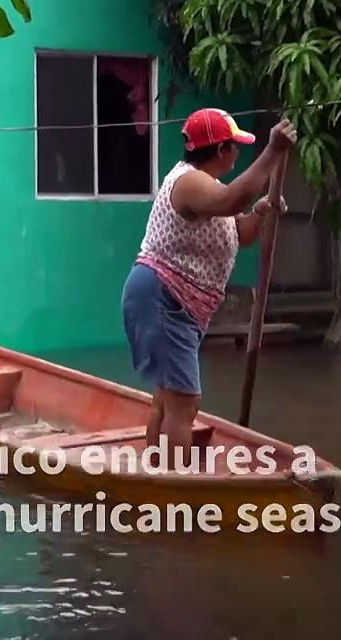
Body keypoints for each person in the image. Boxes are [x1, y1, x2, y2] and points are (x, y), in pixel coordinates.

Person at [121, 108, 295, 468]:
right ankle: (171, 488)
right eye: (235, 146)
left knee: (168, 398)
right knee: (183, 401)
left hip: (174, 303)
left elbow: (239, 234)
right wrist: (272, 152)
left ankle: (156, 475)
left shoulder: (209, 188)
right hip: (163, 296)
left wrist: (262, 212)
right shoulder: (190, 183)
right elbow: (232, 201)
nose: (238, 152)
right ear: (221, 151)